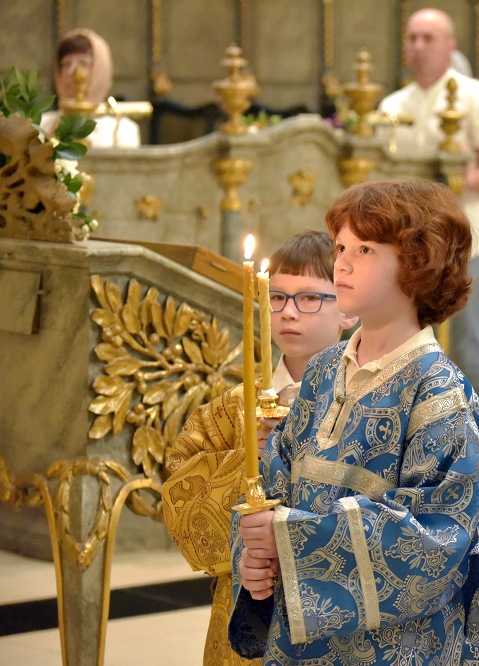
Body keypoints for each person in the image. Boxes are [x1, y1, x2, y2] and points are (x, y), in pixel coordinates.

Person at [228, 180, 479, 665]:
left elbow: (435, 536)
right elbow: (272, 482)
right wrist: (255, 557)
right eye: (340, 248)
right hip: (301, 641)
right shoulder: (324, 371)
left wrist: (290, 538)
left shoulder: (437, 390)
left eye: (364, 250)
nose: (342, 264)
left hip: (397, 647)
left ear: (418, 263)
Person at [162, 231, 356, 666]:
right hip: (245, 609)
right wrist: (249, 459)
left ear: (347, 308)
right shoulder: (234, 408)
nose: (288, 312)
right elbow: (180, 498)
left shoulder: (368, 405)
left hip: (331, 616)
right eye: (277, 297)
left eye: (309, 298)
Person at [378, 8, 479, 486]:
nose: (419, 46)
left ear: (450, 44)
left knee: (472, 352)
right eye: (412, 37)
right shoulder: (393, 103)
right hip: (411, 251)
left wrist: (445, 187)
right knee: (410, 356)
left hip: (467, 247)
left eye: (429, 38)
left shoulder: (477, 96)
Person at [40, 28, 141, 148]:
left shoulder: (122, 130)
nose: (74, 73)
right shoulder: (41, 125)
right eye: (66, 64)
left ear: (101, 70)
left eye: (83, 64)